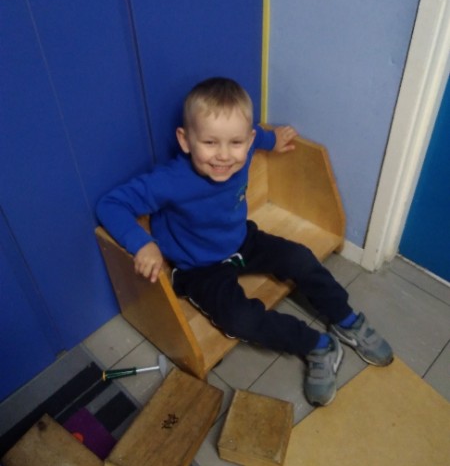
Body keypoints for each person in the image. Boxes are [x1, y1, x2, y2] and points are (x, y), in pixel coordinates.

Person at [96, 77, 393, 406]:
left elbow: (259, 138)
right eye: (210, 142)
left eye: (235, 142)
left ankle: (346, 319)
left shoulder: (248, 147)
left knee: (299, 258)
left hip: (241, 240)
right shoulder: (170, 180)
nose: (224, 156)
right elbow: (111, 204)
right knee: (239, 320)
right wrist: (142, 243)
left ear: (247, 140)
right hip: (198, 268)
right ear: (185, 140)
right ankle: (317, 346)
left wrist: (273, 139)